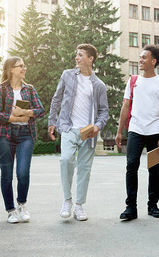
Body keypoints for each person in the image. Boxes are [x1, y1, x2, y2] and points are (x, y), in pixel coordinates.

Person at [48, 44, 109, 221]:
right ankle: (67, 200)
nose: (77, 58)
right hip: (68, 127)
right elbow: (56, 98)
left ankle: (79, 205)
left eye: (80, 55)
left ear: (90, 59)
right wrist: (52, 121)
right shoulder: (67, 75)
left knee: (84, 169)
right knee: (65, 159)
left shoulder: (98, 85)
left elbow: (104, 111)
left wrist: (98, 125)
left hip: (88, 132)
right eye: (76, 55)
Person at [115, 44, 159, 221]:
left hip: (155, 132)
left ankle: (153, 206)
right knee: (131, 167)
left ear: (153, 61)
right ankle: (130, 207)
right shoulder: (133, 81)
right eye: (140, 57)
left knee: (154, 169)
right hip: (135, 130)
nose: (140, 60)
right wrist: (119, 131)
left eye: (144, 57)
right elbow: (125, 106)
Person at [0, 57, 45, 223]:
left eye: (24, 66)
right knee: (7, 175)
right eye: (20, 66)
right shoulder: (0, 90)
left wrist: (25, 113)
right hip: (5, 136)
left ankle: (22, 204)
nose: (24, 68)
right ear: (11, 69)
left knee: (22, 172)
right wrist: (13, 118)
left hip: (25, 135)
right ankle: (11, 210)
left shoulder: (29, 89)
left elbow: (40, 110)